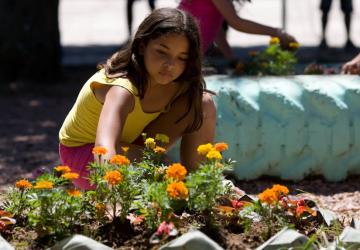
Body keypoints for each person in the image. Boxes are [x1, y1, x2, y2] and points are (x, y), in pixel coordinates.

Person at [59, 8, 216, 189]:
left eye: (182, 57)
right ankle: (190, 188)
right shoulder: (122, 89)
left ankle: (203, 187)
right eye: (162, 52)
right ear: (142, 46)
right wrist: (113, 198)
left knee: (201, 102)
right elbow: (105, 145)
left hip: (129, 145)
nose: (170, 64)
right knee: (163, 170)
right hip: (85, 153)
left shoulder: (177, 84)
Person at [178, 0, 298, 64]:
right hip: (181, 50)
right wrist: (277, 32)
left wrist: (231, 59)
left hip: (184, 52)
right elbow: (237, 23)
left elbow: (216, 30)